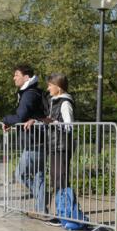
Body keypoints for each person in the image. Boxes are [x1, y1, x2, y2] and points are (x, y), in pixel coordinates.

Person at [2, 63, 46, 214]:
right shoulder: (34, 92)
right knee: (39, 176)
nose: (14, 78)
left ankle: (42, 199)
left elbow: (21, 116)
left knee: (20, 174)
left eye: (16, 75)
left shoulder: (28, 94)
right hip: (39, 139)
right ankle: (41, 209)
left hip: (34, 141)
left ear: (26, 77)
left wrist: (5, 119)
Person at [37, 73, 75, 222]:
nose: (48, 88)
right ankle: (62, 213)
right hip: (54, 146)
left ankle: (66, 214)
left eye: (50, 85)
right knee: (56, 180)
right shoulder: (54, 101)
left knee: (61, 180)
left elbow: (69, 126)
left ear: (58, 88)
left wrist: (53, 123)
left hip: (62, 146)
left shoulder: (65, 103)